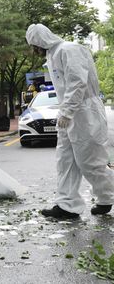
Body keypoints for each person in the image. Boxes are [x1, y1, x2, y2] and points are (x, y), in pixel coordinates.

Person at [26, 23, 114, 219]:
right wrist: (65, 113)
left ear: (40, 40)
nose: (34, 49)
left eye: (34, 45)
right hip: (69, 113)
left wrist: (67, 112)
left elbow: (77, 82)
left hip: (85, 113)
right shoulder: (53, 55)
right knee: (65, 160)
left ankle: (106, 197)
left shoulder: (69, 49)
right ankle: (67, 205)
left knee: (90, 162)